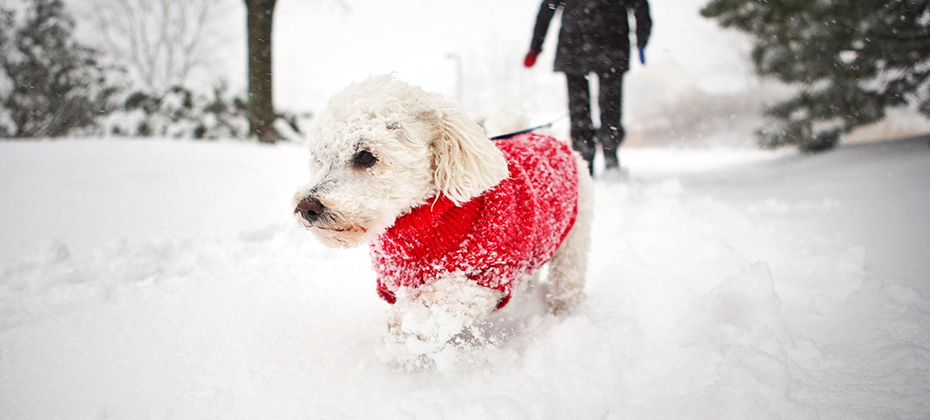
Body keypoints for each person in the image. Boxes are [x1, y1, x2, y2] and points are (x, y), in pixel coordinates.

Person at [524, 0, 651, 175]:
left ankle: (589, 157)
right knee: (610, 105)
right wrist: (642, 39)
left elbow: (548, 8)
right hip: (610, 43)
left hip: (578, 43)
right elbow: (640, 7)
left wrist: (536, 45)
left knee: (580, 108)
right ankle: (602, 154)